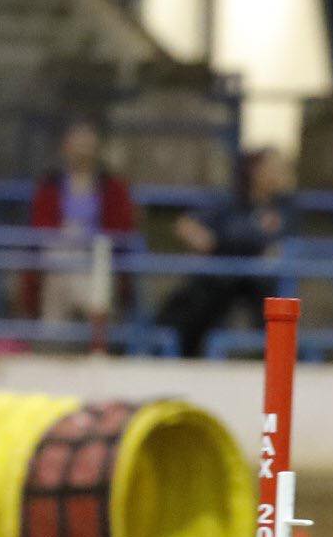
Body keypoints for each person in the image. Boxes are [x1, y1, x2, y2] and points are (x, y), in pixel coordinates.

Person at [153, 148, 294, 358]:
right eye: (274, 167)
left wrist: (232, 241)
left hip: (257, 284)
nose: (281, 172)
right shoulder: (231, 203)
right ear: (255, 171)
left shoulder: (284, 208)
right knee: (188, 306)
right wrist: (210, 240)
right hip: (219, 280)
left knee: (271, 304)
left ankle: (274, 358)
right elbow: (186, 226)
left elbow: (276, 248)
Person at [20, 120, 138, 320]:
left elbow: (122, 230)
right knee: (56, 278)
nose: (82, 150)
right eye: (77, 142)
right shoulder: (50, 186)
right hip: (58, 262)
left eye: (87, 143)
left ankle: (99, 345)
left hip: (97, 259)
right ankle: (53, 342)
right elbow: (40, 231)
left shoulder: (113, 187)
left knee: (97, 286)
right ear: (66, 147)